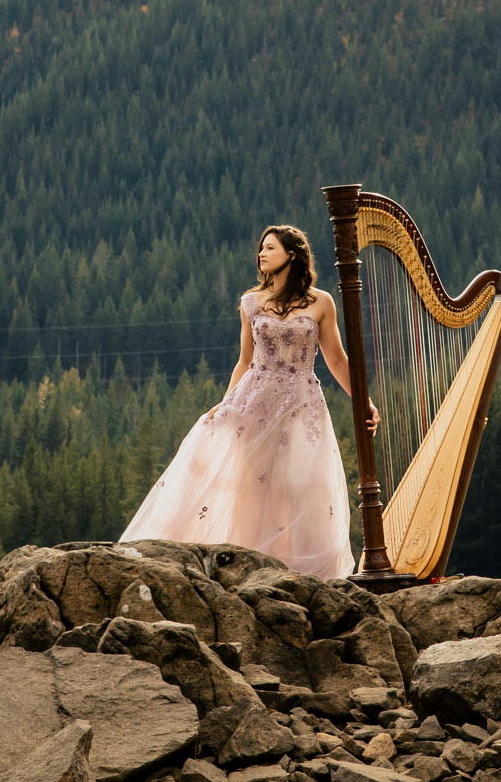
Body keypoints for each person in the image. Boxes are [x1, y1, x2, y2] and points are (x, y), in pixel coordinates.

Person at [119, 224, 378, 579]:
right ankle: (257, 567)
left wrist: (362, 401)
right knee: (254, 487)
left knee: (302, 482)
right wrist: (226, 404)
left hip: (303, 404)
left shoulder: (321, 302)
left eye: (270, 248)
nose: (261, 254)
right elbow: (244, 360)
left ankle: (304, 572)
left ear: (292, 254)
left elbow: (336, 359)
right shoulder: (251, 302)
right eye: (261, 249)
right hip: (255, 400)